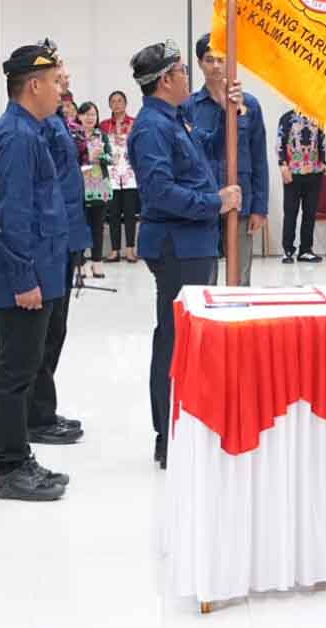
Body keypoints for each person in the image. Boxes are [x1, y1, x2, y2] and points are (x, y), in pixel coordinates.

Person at [127, 40, 241, 468]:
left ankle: (188, 424)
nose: (188, 79)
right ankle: (168, 437)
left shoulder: (175, 119)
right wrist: (216, 202)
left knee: (189, 338)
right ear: (166, 81)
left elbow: (205, 147)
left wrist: (230, 109)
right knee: (174, 340)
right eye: (182, 73)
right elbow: (159, 193)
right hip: (177, 247)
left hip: (193, 243)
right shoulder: (152, 128)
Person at [0, 43, 71, 502]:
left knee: (25, 366)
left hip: (41, 269)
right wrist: (24, 280)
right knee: (15, 373)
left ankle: (19, 456)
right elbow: (12, 218)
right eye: (55, 81)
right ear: (33, 85)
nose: (61, 90)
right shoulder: (16, 138)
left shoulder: (29, 131)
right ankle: (8, 467)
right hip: (25, 278)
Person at [34, 50, 90, 446]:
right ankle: (36, 415)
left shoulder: (58, 119)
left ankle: (43, 409)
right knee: (45, 332)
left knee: (55, 330)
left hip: (68, 234)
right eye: (59, 73)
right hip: (53, 239)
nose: (65, 78)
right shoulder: (41, 125)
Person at [185, 33, 267, 285]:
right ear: (200, 63)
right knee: (203, 278)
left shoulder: (249, 105)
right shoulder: (189, 106)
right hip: (204, 200)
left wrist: (260, 208)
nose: (216, 66)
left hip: (241, 200)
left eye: (221, 60)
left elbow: (259, 157)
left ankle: (238, 322)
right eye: (209, 60)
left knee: (239, 279)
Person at [277, 107, 326, 264]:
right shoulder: (287, 117)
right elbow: (280, 142)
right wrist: (282, 165)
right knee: (290, 212)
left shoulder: (319, 118)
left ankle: (305, 249)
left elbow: (322, 141)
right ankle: (288, 250)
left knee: (310, 213)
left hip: (314, 171)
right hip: (293, 171)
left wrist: (323, 162)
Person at [101, 90, 139, 262]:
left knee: (130, 212)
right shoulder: (103, 125)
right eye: (113, 101)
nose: (116, 104)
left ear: (125, 103)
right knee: (113, 212)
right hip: (111, 174)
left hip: (130, 173)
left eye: (120, 101)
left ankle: (130, 249)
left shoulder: (134, 123)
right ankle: (115, 250)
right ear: (109, 105)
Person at [77, 101, 112, 279]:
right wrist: (84, 157)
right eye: (86, 114)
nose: (90, 118)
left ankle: (97, 263)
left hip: (98, 184)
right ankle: (80, 263)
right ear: (79, 116)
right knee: (80, 225)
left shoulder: (102, 135)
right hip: (80, 185)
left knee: (97, 226)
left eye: (93, 114)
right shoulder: (75, 136)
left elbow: (110, 158)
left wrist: (101, 157)